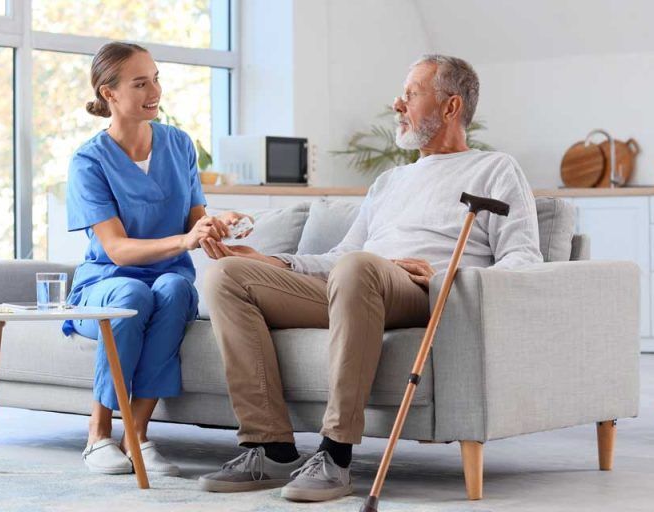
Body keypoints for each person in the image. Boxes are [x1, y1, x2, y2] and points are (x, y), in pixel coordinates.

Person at [196, 54, 543, 502]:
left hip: (421, 292)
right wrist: (273, 262)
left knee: (360, 268)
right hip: (353, 284)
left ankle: (336, 453)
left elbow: (523, 260)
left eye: (411, 94)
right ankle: (271, 449)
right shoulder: (391, 181)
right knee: (228, 276)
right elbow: (343, 255)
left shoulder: (496, 169)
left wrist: (444, 274)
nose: (397, 104)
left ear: (451, 107)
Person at [64, 41, 250, 476]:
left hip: (168, 276)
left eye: (157, 78)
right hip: (105, 283)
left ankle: (137, 437)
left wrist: (220, 225)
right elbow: (116, 249)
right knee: (132, 292)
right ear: (108, 93)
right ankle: (98, 435)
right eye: (140, 82)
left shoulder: (178, 145)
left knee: (172, 287)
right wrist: (184, 240)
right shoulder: (88, 161)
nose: (155, 90)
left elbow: (196, 219)